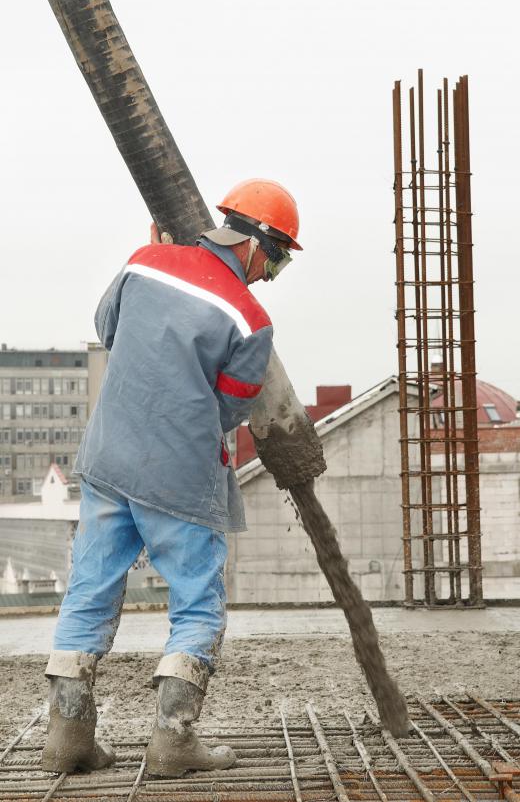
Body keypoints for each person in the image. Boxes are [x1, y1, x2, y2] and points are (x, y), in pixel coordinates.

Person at [41, 179, 302, 777]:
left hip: (108, 457)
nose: (271, 273)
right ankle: (174, 742)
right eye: (279, 259)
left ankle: (68, 738)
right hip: (180, 477)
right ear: (256, 244)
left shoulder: (143, 262)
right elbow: (232, 408)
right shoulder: (251, 319)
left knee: (90, 590)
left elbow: (111, 330)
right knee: (196, 603)